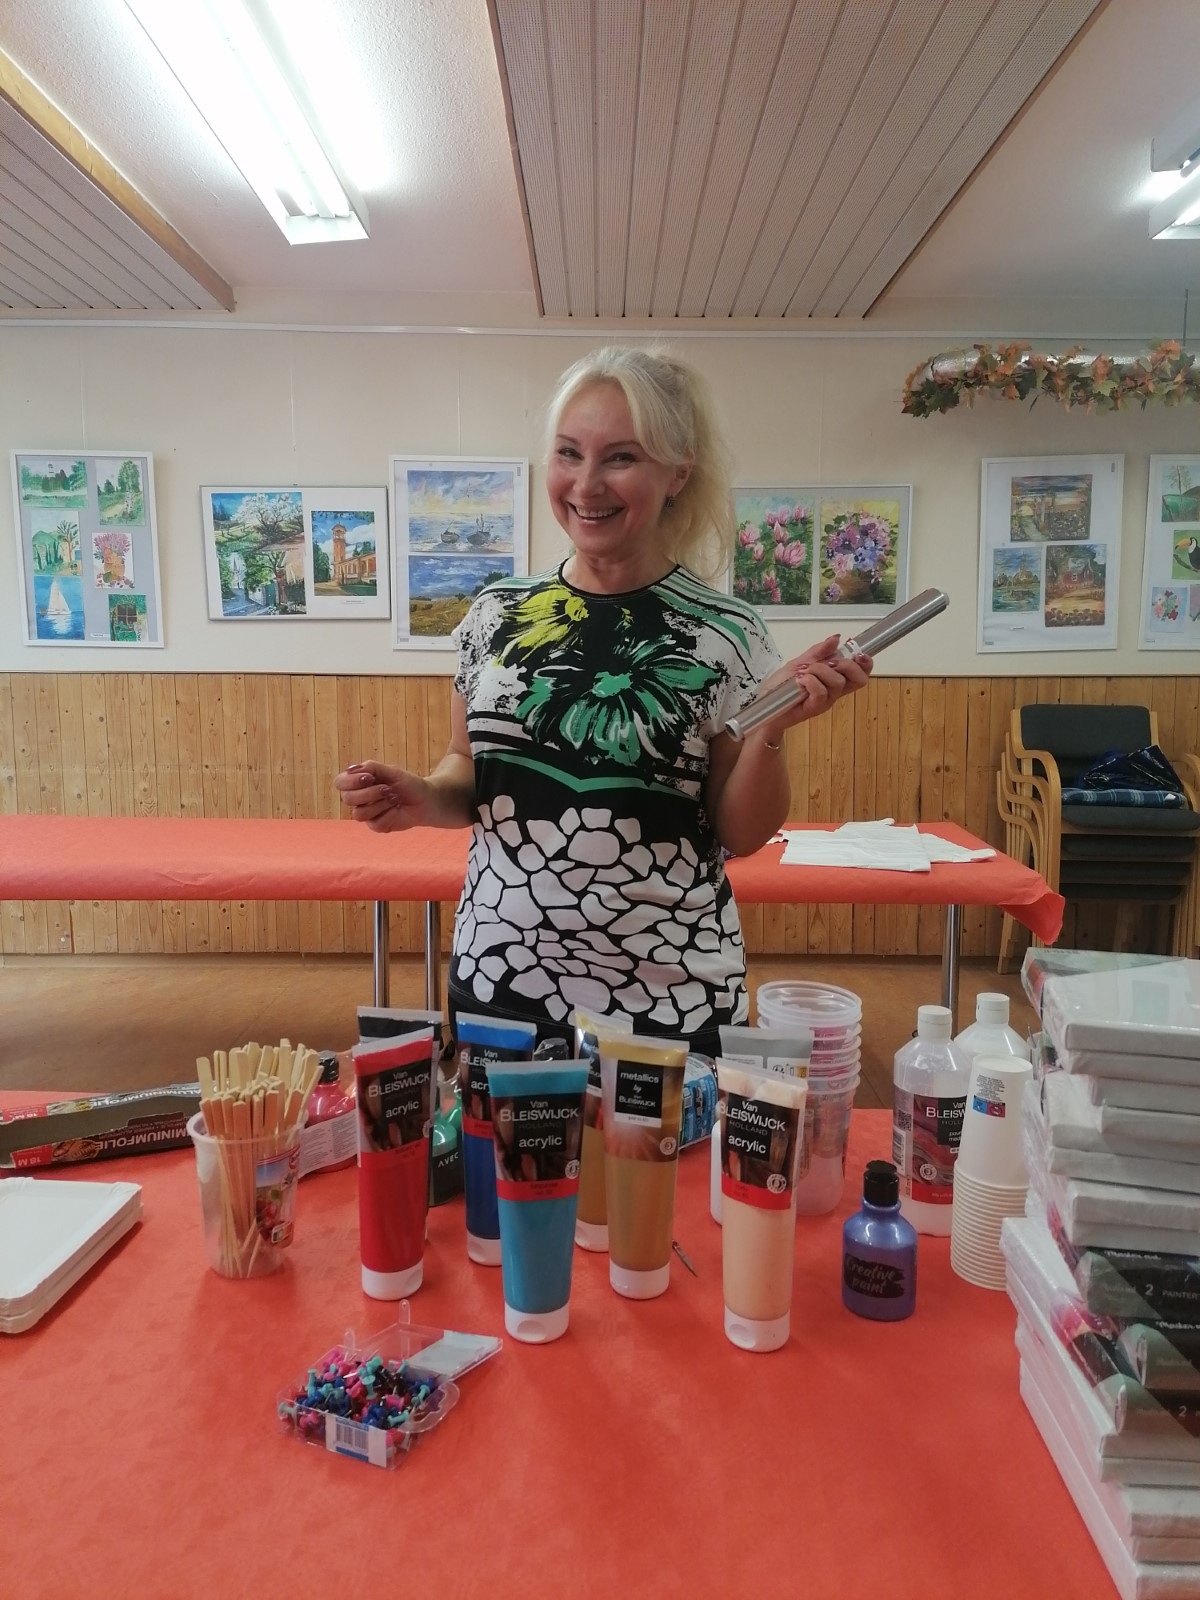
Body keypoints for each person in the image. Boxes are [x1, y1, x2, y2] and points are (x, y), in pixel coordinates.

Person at [335, 347, 871, 1059]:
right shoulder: (496, 614)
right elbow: (468, 769)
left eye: (621, 457)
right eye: (569, 453)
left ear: (678, 471)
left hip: (668, 999)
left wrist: (772, 732)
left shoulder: (727, 633)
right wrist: (424, 796)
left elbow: (739, 833)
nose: (586, 485)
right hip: (501, 981)